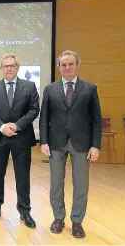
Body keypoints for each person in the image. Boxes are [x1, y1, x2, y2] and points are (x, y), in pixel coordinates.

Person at [40, 50, 102, 238]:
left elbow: (96, 120)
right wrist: (43, 142)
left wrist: (95, 145)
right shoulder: (50, 89)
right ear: (58, 67)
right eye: (63, 64)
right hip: (56, 144)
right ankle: (58, 218)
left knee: (81, 184)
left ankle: (77, 221)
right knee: (56, 184)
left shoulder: (89, 89)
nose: (67, 67)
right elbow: (44, 118)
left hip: (81, 144)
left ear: (77, 65)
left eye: (71, 64)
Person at [0, 54, 40, 228]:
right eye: (5, 66)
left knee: (22, 177)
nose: (9, 68)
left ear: (17, 68)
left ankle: (25, 211)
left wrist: (16, 126)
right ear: (1, 69)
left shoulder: (29, 86)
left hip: (21, 138)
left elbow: (34, 109)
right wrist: (2, 127)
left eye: (12, 65)